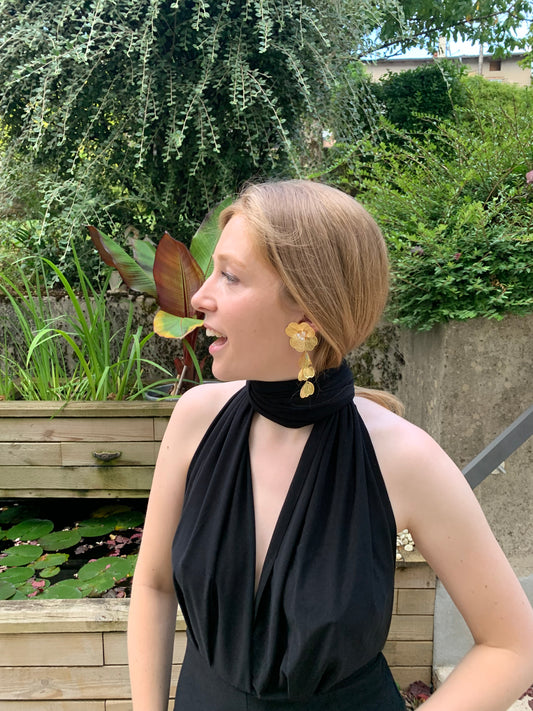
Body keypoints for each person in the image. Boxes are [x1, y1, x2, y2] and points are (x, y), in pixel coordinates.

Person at [128, 180, 533, 711]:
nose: (200, 297)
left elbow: (512, 645)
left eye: (230, 276)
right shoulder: (196, 419)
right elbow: (154, 585)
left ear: (308, 311)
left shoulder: (404, 459)